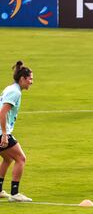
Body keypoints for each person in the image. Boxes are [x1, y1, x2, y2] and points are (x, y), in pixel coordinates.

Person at [0, 61, 33, 202]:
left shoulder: (11, 88)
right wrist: (5, 134)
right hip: (0, 133)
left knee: (7, 158)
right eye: (30, 79)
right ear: (22, 79)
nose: (31, 82)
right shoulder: (14, 92)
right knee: (21, 158)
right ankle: (15, 193)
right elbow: (2, 113)